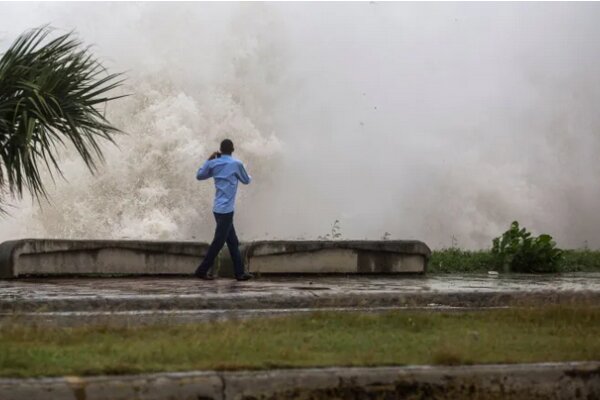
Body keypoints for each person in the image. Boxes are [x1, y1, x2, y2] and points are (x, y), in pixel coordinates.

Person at [194, 139, 253, 281]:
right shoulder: (236, 164)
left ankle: (239, 273)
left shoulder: (214, 163)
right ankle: (201, 270)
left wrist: (209, 160)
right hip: (227, 210)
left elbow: (200, 176)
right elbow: (246, 180)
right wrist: (244, 174)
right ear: (232, 150)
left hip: (217, 209)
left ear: (220, 149)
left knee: (232, 241)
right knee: (219, 242)